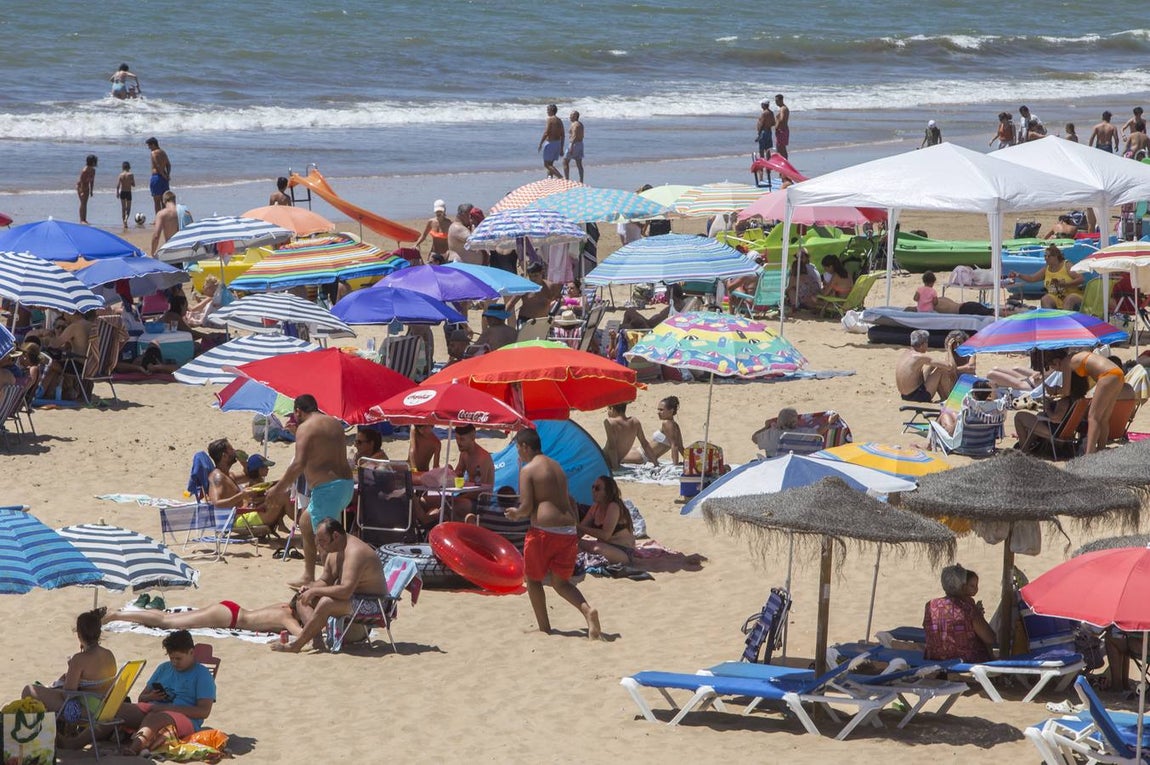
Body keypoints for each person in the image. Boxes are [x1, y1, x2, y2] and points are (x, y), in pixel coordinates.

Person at [505, 429, 601, 639]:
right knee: (561, 582)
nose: (518, 455)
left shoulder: (529, 470)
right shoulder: (556, 466)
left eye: (517, 449)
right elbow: (570, 500)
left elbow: (527, 506)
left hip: (544, 531)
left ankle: (545, 628)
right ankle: (588, 611)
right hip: (568, 530)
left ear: (524, 446)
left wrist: (515, 513)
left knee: (532, 579)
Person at [266, 394, 355, 588]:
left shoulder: (305, 428)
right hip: (345, 485)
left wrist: (278, 488)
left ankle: (329, 582)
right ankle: (308, 575)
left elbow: (299, 464)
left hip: (328, 489)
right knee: (306, 522)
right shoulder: (333, 422)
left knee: (325, 539)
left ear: (298, 411)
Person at [273, 517, 387, 652]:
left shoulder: (355, 552)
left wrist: (315, 592)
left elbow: (346, 591)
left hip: (373, 604)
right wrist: (311, 589)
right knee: (302, 599)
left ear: (335, 536)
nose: (320, 546)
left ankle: (297, 644)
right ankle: (317, 642)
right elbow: (325, 580)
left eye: (323, 541)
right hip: (353, 600)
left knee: (326, 602)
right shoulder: (334, 551)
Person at [117, 630, 215, 756]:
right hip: (154, 708)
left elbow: (203, 712)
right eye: (171, 658)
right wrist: (151, 696)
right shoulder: (164, 668)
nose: (174, 662)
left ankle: (134, 748)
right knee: (118, 709)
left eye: (178, 658)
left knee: (155, 716)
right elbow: (142, 698)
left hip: (186, 719)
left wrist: (167, 708)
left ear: (191, 652)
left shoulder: (202, 675)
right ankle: (86, 740)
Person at [22, 608, 117, 719]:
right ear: (98, 632)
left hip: (87, 710)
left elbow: (67, 695)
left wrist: (68, 676)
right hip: (106, 705)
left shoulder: (79, 659)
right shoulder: (109, 654)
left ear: (79, 635)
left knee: (28, 690)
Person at [1048, 348, 1125, 453]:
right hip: (1118, 373)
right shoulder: (1076, 356)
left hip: (1107, 375)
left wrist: (1053, 390)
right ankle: (1101, 449)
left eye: (1053, 367)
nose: (1057, 371)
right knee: (1104, 418)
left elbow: (1066, 391)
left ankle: (1089, 455)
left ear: (1057, 361)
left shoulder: (1066, 362)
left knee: (1093, 417)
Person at [105, 599, 303, 635]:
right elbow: (304, 635)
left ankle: (127, 613)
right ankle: (115, 616)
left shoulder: (283, 607)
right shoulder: (288, 619)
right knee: (167, 623)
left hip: (230, 609)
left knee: (168, 618)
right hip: (229, 618)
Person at [923, 564, 995, 662]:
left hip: (935, 658)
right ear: (963, 585)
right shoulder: (967, 608)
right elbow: (990, 638)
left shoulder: (930, 605)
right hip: (966, 660)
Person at [578, 475, 636, 565]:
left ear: (607, 492)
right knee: (575, 543)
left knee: (596, 548)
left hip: (623, 551)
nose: (593, 491)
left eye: (597, 488)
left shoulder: (613, 506)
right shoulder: (595, 507)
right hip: (605, 546)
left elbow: (605, 535)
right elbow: (581, 530)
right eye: (592, 487)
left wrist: (578, 526)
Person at [1009, 244, 1084, 310]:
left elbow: (1081, 279)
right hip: (1057, 297)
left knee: (1070, 299)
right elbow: (1032, 278)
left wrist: (1065, 285)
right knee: (1045, 299)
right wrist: (1018, 275)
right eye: (1045, 256)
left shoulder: (1066, 265)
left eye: (1049, 256)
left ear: (1056, 257)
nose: (1046, 258)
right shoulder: (1047, 268)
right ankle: (1050, 320)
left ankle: (1065, 322)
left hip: (1073, 294)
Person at [447, 424, 494, 521]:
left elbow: (479, 491)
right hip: (467, 496)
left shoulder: (482, 458)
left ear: (473, 437)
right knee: (441, 503)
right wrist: (448, 473)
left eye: (462, 439)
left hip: (481, 501)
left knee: (451, 505)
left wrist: (457, 498)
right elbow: (458, 474)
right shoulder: (464, 453)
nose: (458, 443)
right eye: (457, 439)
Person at [896, 329, 957, 403]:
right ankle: (947, 399)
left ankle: (943, 399)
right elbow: (950, 366)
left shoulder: (906, 353)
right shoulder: (920, 357)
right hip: (916, 396)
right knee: (941, 369)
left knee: (933, 366)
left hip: (905, 395)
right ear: (922, 345)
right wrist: (949, 349)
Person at [603, 402, 656, 469]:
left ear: (612, 409)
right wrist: (656, 463)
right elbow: (645, 444)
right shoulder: (635, 421)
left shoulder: (610, 422)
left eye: (608, 410)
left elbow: (612, 447)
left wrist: (616, 469)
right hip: (615, 461)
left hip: (603, 460)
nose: (608, 413)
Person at [635, 396, 684, 465]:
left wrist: (675, 465)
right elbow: (680, 447)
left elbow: (675, 446)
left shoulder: (666, 423)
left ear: (671, 411)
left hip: (642, 455)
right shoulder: (675, 425)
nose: (658, 412)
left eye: (661, 410)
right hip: (643, 454)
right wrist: (690, 462)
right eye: (658, 410)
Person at [538, 104, 564, 179]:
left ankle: (560, 177)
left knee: (546, 164)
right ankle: (549, 179)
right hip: (557, 143)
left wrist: (540, 143)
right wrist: (561, 148)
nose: (547, 111)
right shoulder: (559, 120)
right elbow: (563, 134)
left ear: (552, 111)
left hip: (551, 143)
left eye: (548, 110)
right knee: (550, 164)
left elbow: (546, 132)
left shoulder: (550, 119)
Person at [145, 137, 171, 213]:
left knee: (156, 201)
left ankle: (158, 218)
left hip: (156, 177)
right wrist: (167, 175)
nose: (148, 147)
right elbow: (168, 165)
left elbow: (157, 165)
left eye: (149, 145)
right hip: (164, 179)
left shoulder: (153, 153)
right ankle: (165, 218)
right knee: (164, 200)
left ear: (153, 144)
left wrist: (163, 175)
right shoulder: (163, 152)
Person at [150, 190, 181, 255]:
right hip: (185, 250)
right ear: (174, 200)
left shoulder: (162, 214)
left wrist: (152, 253)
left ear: (164, 201)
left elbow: (156, 236)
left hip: (171, 250)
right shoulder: (184, 211)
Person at [754, 100, 775, 185]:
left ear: (763, 105)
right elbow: (773, 123)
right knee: (768, 151)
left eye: (761, 104)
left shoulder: (764, 113)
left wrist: (758, 135)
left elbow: (761, 124)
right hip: (769, 132)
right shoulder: (771, 113)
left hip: (763, 132)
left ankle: (761, 174)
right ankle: (769, 169)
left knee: (761, 152)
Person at [563, 110, 585, 182]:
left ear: (575, 116)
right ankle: (581, 180)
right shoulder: (580, 124)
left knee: (565, 161)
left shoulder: (575, 124)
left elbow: (574, 135)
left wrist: (571, 146)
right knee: (579, 163)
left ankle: (566, 179)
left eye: (571, 115)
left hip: (574, 144)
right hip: (580, 144)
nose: (570, 116)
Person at [76, 155, 96, 225]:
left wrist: (91, 190)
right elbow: (81, 181)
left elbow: (92, 181)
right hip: (80, 187)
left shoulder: (93, 170)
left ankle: (84, 219)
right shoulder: (85, 170)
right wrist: (81, 191)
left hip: (87, 187)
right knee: (83, 203)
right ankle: (81, 220)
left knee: (85, 203)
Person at [114, 161, 134, 229]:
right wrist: (130, 182)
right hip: (128, 192)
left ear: (123, 167)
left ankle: (124, 224)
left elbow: (118, 185)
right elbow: (133, 184)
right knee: (128, 208)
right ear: (129, 167)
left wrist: (117, 192)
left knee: (123, 208)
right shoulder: (131, 174)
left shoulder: (120, 175)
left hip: (122, 192)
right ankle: (126, 219)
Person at [773, 94, 790, 158]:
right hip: (783, 130)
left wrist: (777, 126)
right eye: (775, 100)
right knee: (780, 148)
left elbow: (781, 119)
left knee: (781, 149)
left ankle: (784, 164)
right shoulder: (783, 108)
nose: (776, 102)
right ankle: (783, 163)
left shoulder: (783, 108)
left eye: (777, 100)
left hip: (782, 130)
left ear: (781, 100)